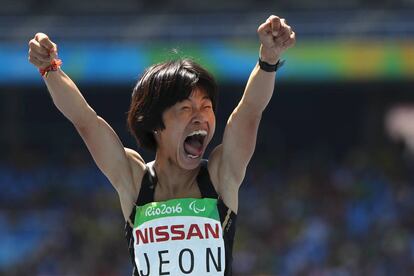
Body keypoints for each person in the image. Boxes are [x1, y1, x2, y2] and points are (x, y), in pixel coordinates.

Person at [28, 15, 295, 276]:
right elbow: (85, 119)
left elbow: (249, 111)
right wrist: (49, 68)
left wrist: (269, 60)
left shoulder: (220, 174)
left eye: (206, 107)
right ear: (156, 122)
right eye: (186, 108)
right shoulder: (133, 178)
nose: (200, 117)